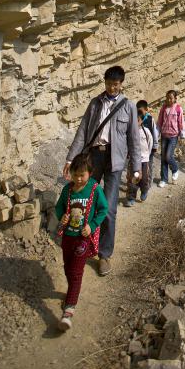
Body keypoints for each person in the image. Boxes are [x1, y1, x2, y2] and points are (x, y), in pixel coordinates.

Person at [63, 65, 141, 276]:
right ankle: (83, 243)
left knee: (108, 208)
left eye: (115, 84)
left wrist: (136, 168)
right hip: (93, 158)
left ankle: (104, 254)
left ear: (121, 84)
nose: (111, 88)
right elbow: (82, 132)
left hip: (114, 161)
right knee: (85, 201)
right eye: (108, 84)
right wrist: (71, 159)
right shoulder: (95, 103)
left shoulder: (129, 107)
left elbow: (134, 140)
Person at [55, 152, 108, 330]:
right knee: (68, 267)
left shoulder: (94, 189)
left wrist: (92, 226)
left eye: (82, 175)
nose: (78, 178)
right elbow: (59, 207)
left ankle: (69, 309)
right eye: (75, 174)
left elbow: (103, 209)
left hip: (83, 239)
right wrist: (61, 217)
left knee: (76, 272)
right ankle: (71, 293)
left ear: (90, 173)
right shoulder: (67, 190)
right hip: (68, 237)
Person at [157, 90, 185, 186]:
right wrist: (157, 134)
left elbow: (181, 122)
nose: (169, 100)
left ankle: (175, 169)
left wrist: (182, 135)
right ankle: (163, 179)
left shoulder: (178, 108)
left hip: (173, 136)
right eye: (167, 97)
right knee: (163, 158)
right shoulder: (163, 108)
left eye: (171, 98)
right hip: (164, 135)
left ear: (175, 99)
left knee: (168, 156)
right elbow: (159, 122)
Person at [125, 113, 153, 206]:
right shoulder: (130, 132)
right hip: (134, 160)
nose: (135, 122)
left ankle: (144, 191)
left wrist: (146, 155)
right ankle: (131, 198)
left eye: (138, 120)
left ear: (141, 121)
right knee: (133, 179)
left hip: (144, 160)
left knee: (144, 178)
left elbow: (150, 143)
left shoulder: (146, 131)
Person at [136, 100, 159, 188]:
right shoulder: (136, 119)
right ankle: (137, 182)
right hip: (139, 148)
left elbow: (154, 133)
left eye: (141, 111)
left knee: (148, 165)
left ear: (146, 110)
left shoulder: (150, 119)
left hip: (149, 147)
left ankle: (147, 183)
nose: (139, 112)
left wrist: (155, 145)